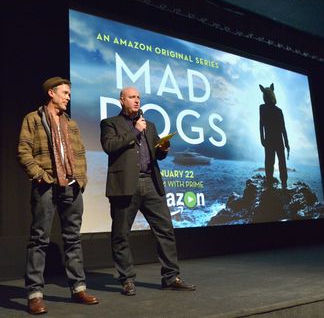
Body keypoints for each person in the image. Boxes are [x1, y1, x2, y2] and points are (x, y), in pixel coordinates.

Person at [100, 87, 196, 296]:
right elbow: (109, 146)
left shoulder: (150, 126)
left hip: (151, 182)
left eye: (139, 98)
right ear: (121, 100)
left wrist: (162, 149)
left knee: (165, 230)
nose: (136, 101)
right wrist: (134, 130)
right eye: (132, 97)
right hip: (125, 185)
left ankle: (171, 277)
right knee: (121, 234)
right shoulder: (110, 123)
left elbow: (156, 155)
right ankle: (126, 279)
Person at [17, 77, 99, 315]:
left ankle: (79, 289)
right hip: (46, 185)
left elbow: (81, 153)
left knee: (73, 239)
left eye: (69, 93)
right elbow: (23, 151)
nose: (68, 97)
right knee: (39, 239)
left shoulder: (71, 123)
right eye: (65, 93)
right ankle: (34, 294)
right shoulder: (33, 119)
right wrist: (40, 175)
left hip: (71, 186)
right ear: (52, 93)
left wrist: (81, 180)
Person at [259, 83, 290, 189]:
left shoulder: (277, 110)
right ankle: (270, 183)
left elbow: (283, 128)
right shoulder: (263, 108)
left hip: (274, 140)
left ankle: (283, 183)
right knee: (271, 162)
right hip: (272, 140)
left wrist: (287, 143)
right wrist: (262, 139)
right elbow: (261, 124)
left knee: (278, 162)